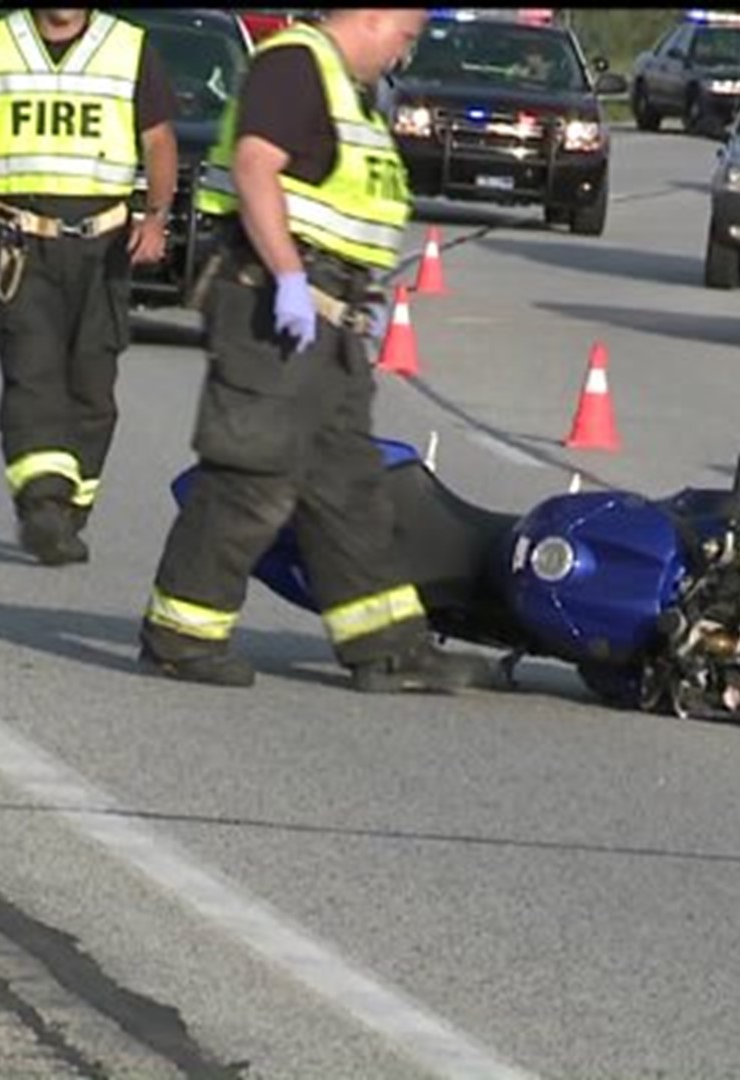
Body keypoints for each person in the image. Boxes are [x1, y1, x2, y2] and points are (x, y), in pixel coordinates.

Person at [137, 8, 493, 693]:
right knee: (252, 475)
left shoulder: (345, 93)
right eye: (404, 37)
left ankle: (386, 648)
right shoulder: (294, 66)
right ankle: (180, 634)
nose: (401, 55)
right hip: (272, 305)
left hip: (329, 320)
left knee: (349, 487)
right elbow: (254, 168)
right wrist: (291, 279)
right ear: (373, 16)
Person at [0, 8, 178, 566]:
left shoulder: (129, 46)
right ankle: (42, 504)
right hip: (20, 241)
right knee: (33, 370)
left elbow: (159, 139)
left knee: (94, 387)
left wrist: (156, 216)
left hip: (103, 244)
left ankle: (71, 506)